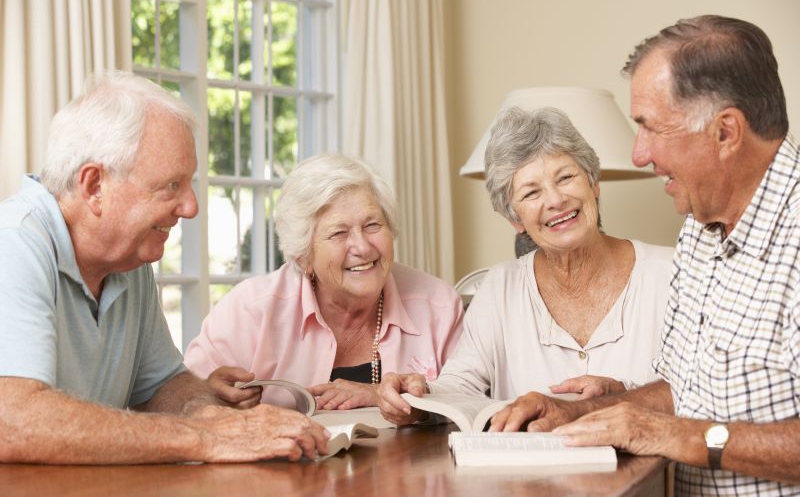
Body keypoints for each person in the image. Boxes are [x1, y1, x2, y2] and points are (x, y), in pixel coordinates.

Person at [486, 15, 800, 494]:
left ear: (726, 131)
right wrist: (583, 411)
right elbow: (684, 389)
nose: (638, 154)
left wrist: (677, 436)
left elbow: (679, 428)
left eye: (650, 127)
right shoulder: (698, 228)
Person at [0, 72, 328, 464]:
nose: (191, 207)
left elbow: (162, 386)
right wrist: (204, 436)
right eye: (171, 186)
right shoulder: (13, 244)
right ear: (94, 186)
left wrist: (209, 412)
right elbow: (12, 420)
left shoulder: (128, 260)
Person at [377, 106, 674, 424]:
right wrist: (416, 397)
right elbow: (460, 387)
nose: (556, 200)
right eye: (532, 192)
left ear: (594, 183)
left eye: (566, 177)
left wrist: (620, 394)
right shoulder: (500, 286)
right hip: (529, 474)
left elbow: (703, 390)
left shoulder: (671, 273)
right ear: (514, 218)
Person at [183, 154, 464, 411]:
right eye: (339, 233)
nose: (362, 247)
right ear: (303, 256)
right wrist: (210, 395)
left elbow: (470, 402)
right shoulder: (250, 311)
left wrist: (380, 394)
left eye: (372, 225)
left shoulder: (437, 305)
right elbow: (182, 401)